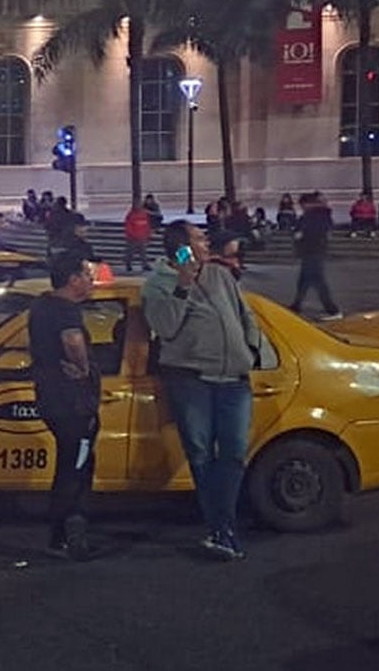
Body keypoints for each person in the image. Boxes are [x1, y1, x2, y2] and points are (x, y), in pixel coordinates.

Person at [144, 221, 262, 561]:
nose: (206, 241)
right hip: (192, 379)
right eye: (199, 238)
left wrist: (250, 349)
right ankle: (222, 529)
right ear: (182, 247)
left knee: (235, 454)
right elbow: (165, 327)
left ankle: (221, 527)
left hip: (234, 379)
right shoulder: (157, 285)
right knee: (200, 455)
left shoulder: (220, 275)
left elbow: (245, 314)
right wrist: (183, 284)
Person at [28, 251, 99, 561]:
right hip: (73, 405)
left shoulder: (41, 306)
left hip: (51, 398)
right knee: (76, 468)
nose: (91, 280)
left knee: (70, 464)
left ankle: (60, 534)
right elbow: (72, 341)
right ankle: (66, 534)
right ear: (72, 280)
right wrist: (83, 368)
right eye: (86, 274)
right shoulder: (66, 311)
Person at [289, 192, 342, 320]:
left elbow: (313, 232)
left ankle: (333, 310)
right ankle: (296, 305)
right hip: (311, 250)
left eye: (303, 205)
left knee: (318, 280)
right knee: (304, 280)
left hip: (313, 250)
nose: (302, 207)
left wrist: (300, 234)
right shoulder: (317, 215)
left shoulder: (316, 216)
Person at [123, 203, 152, 272]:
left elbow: (147, 226)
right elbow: (128, 227)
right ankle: (128, 264)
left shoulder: (144, 215)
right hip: (133, 238)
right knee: (131, 252)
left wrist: (147, 235)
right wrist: (133, 235)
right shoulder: (131, 215)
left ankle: (144, 265)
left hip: (142, 237)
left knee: (143, 252)